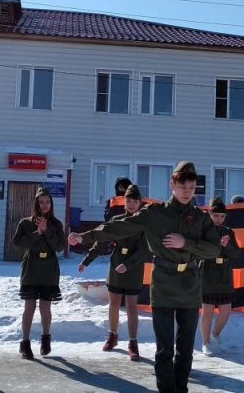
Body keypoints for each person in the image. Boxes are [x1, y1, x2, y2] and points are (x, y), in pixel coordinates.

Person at [68, 161, 220, 393]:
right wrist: (85, 237)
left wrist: (186, 243)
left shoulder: (201, 218)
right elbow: (120, 227)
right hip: (164, 282)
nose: (187, 192)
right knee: (165, 348)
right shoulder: (155, 213)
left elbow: (214, 249)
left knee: (186, 348)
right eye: (183, 187)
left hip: (189, 283)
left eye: (191, 188)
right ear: (172, 185)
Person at [78, 184, 149, 361]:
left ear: (140, 203)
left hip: (134, 267)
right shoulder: (117, 220)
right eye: (128, 200)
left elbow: (145, 250)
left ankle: (133, 342)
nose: (131, 204)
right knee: (114, 304)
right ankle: (112, 336)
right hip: (116, 264)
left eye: (135, 201)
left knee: (131, 306)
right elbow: (102, 240)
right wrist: (87, 260)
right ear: (124, 201)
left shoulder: (143, 223)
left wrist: (128, 265)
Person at [13, 186, 66, 360]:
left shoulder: (56, 224)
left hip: (49, 268)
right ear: (36, 203)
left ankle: (46, 338)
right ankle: (25, 343)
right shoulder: (26, 223)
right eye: (41, 202)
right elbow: (18, 243)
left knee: (45, 307)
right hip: (32, 267)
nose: (44, 205)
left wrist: (47, 230)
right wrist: (38, 232)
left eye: (47, 202)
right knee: (29, 307)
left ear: (51, 204)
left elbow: (59, 246)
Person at [199, 197, 240, 356]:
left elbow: (236, 254)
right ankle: (205, 343)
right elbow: (198, 250)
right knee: (207, 310)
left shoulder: (229, 232)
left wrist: (227, 245)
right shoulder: (203, 230)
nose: (219, 219)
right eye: (216, 215)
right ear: (209, 214)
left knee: (226, 311)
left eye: (222, 216)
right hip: (208, 272)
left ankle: (215, 335)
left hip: (224, 273)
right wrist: (216, 244)